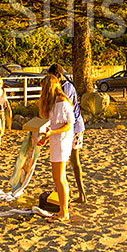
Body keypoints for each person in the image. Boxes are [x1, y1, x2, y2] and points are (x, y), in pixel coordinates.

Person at [47, 64, 87, 203]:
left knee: (74, 161)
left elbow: (65, 110)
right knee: (64, 161)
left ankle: (81, 194)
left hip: (75, 128)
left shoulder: (67, 88)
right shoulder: (61, 87)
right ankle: (63, 195)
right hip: (70, 128)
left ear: (58, 76)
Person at [37, 75, 75, 222]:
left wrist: (51, 133)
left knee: (59, 178)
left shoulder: (63, 102)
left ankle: (64, 212)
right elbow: (53, 125)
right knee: (58, 178)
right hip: (56, 141)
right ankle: (62, 209)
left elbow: (67, 125)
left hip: (62, 142)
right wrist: (45, 138)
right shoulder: (55, 102)